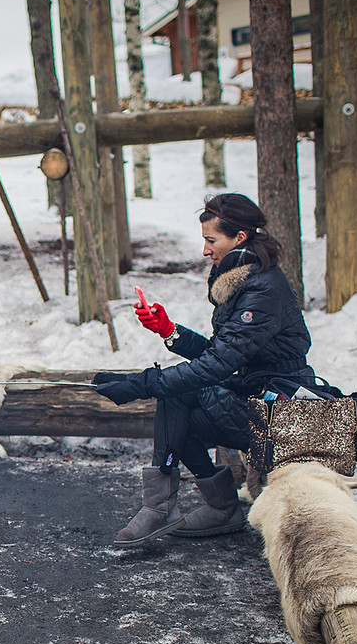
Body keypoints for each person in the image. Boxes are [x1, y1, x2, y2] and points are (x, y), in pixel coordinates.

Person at [91, 192, 315, 548]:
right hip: (252, 395)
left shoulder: (262, 290)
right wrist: (170, 332)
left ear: (239, 238)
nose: (205, 251)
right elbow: (223, 354)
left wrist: (142, 384)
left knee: (175, 397)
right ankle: (213, 506)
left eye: (212, 241)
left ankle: (176, 507)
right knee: (176, 405)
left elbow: (219, 365)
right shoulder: (245, 279)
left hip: (278, 409)